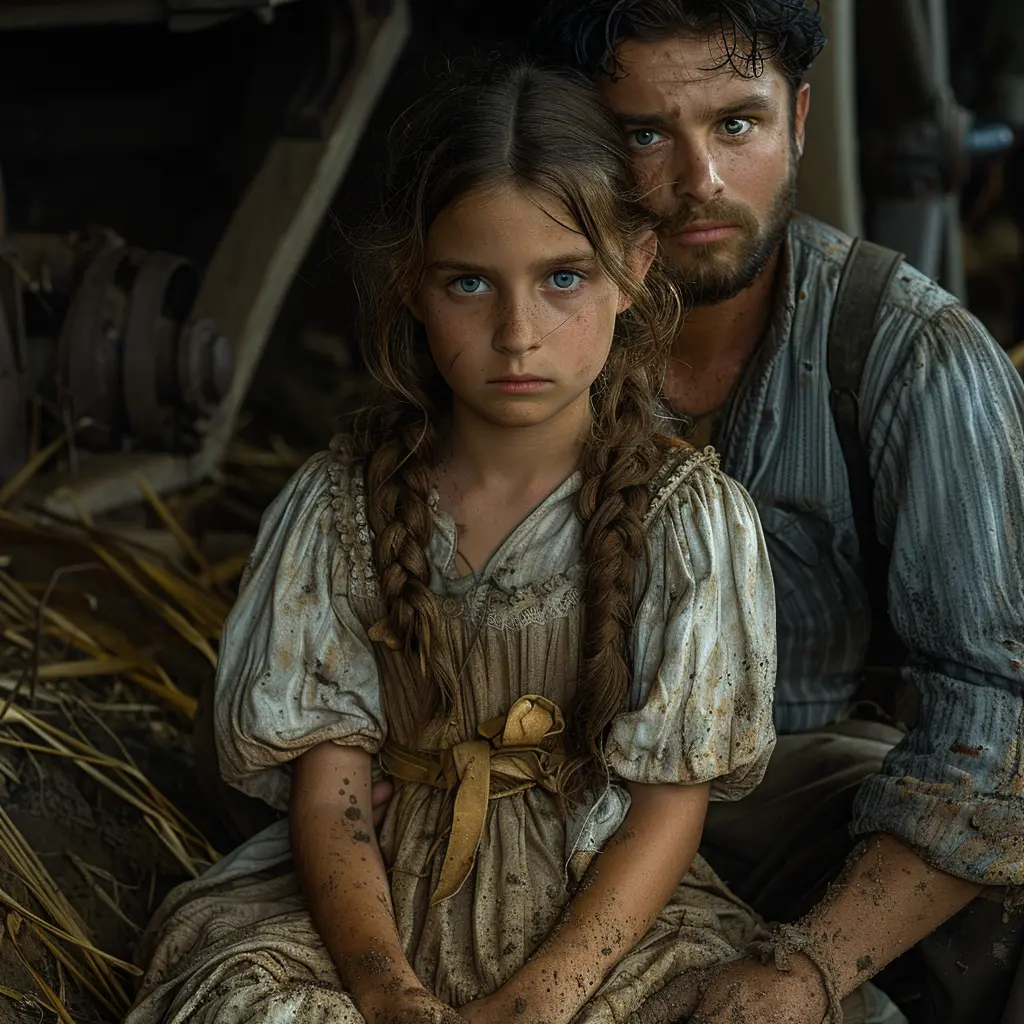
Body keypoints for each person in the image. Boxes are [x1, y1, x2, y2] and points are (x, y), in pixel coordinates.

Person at [126, 60, 781, 1024]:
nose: (519, 334)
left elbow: (669, 805)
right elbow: (334, 789)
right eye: (470, 282)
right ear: (413, 285)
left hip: (600, 926)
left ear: (638, 269)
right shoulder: (342, 510)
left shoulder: (687, 522)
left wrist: (540, 1002)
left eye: (564, 278)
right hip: (372, 910)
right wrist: (387, 992)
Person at [531, 3, 1024, 1023]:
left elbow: (996, 721)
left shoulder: (908, 353)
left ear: (798, 120)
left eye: (736, 125)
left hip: (798, 803)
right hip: (546, 792)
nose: (698, 182)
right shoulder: (525, 321)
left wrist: (806, 969)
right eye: (644, 133)